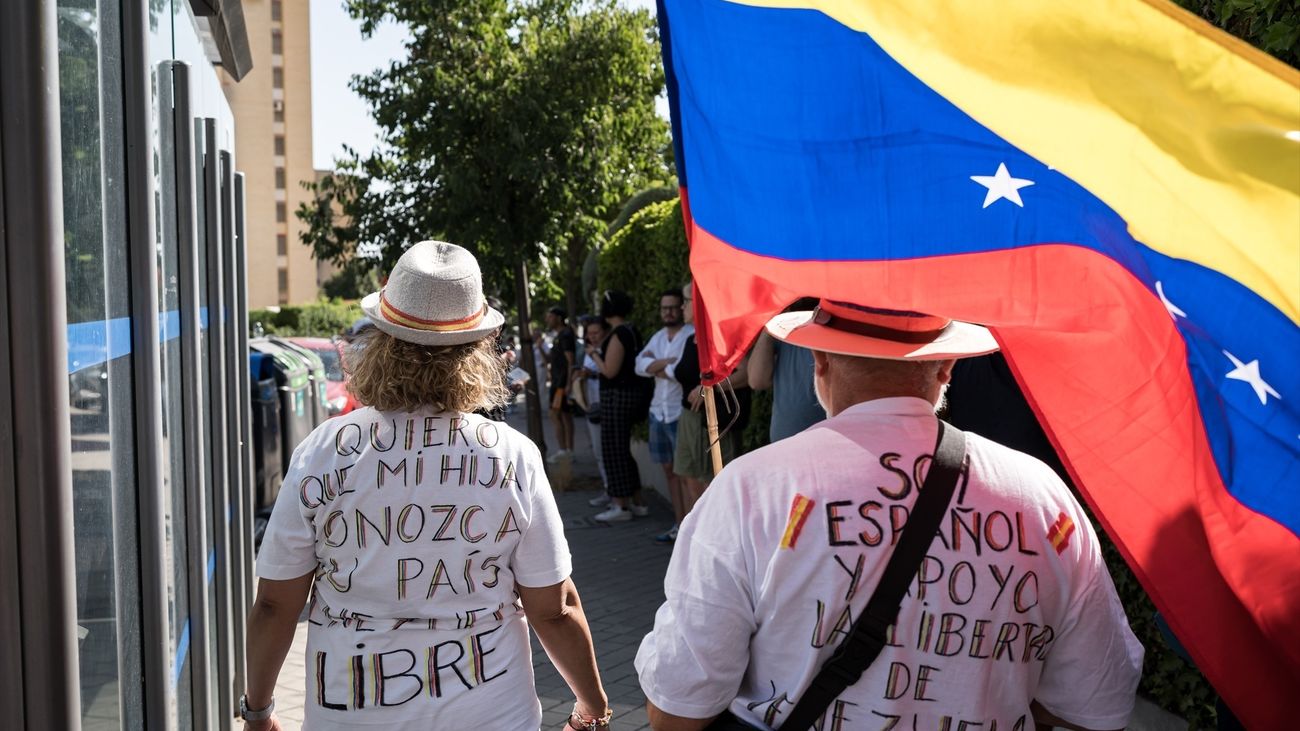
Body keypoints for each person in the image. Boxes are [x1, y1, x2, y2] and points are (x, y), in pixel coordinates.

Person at [636, 300, 1143, 730]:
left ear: (819, 360)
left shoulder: (751, 489)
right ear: (946, 368)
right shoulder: (1043, 498)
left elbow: (678, 709)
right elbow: (1096, 704)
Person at [245, 241, 610, 731]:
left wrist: (259, 711)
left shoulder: (323, 450)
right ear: (477, 350)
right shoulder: (511, 455)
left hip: (351, 715)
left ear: (380, 341)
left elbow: (275, 603)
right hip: (490, 715)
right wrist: (593, 707)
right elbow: (555, 608)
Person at [667, 281, 751, 532]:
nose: (682, 307)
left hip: (714, 422)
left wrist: (709, 388)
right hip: (689, 419)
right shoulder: (690, 338)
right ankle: (700, 536)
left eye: (686, 301)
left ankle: (719, 538)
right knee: (689, 478)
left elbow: (746, 373)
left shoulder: (722, 334)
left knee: (714, 485)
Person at [585, 290, 650, 522]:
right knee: (623, 450)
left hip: (617, 398)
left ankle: (620, 506)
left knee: (613, 450)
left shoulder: (619, 333)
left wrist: (594, 355)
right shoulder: (631, 331)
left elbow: (610, 370)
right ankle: (637, 502)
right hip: (631, 396)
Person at [635, 289, 694, 542]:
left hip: (679, 412)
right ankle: (679, 525)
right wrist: (666, 363)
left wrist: (658, 365)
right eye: (664, 308)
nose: (668, 312)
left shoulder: (690, 335)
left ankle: (692, 529)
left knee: (686, 475)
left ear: (682, 307)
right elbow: (639, 366)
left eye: (673, 307)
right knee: (669, 472)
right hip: (657, 412)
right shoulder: (658, 337)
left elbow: (682, 370)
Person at [748, 298, 826, 443]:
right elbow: (757, 380)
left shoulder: (835, 328)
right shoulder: (784, 329)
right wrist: (770, 324)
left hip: (822, 445)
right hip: (784, 444)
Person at [575, 316, 612, 504]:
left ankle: (616, 495)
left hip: (607, 405)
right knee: (598, 451)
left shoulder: (606, 350)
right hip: (592, 406)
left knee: (609, 451)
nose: (593, 337)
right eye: (589, 334)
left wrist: (592, 369)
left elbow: (609, 371)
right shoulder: (588, 351)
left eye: (596, 333)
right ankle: (608, 490)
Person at [545, 306, 578, 461]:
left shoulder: (565, 335)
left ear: (558, 318)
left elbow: (570, 361)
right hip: (560, 382)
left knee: (555, 414)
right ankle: (568, 451)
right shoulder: (561, 334)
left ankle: (564, 450)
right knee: (564, 416)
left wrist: (568, 383)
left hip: (561, 384)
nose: (548, 319)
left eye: (550, 317)